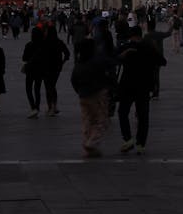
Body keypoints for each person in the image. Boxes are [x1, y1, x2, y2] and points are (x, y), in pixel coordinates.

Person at [116, 25, 166, 154]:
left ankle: (128, 139)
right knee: (143, 116)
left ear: (131, 36)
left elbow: (113, 57)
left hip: (127, 85)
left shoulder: (128, 47)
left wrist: (123, 55)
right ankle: (141, 144)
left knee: (123, 112)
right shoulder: (148, 47)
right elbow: (162, 61)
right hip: (144, 86)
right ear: (141, 35)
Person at [70, 35, 115, 157]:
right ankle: (91, 143)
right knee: (101, 121)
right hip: (97, 94)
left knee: (87, 120)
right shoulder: (97, 60)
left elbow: (73, 79)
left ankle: (87, 146)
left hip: (83, 96)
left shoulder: (79, 62)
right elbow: (112, 64)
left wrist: (79, 91)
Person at [41, 22, 70, 116]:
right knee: (52, 85)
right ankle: (54, 105)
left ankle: (51, 107)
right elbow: (67, 53)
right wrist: (62, 62)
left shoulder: (44, 42)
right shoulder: (59, 42)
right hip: (57, 67)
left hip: (46, 66)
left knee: (48, 86)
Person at [21, 25, 45, 118]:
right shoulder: (43, 45)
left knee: (28, 88)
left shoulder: (29, 45)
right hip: (40, 69)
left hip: (30, 69)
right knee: (37, 89)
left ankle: (33, 107)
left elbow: (24, 58)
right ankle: (37, 107)